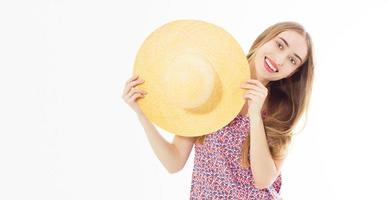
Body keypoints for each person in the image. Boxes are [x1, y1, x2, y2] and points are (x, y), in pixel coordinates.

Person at [122, 21, 314, 199]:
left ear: (294, 72)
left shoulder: (282, 110)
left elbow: (263, 179)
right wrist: (142, 115)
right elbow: (174, 162)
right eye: (279, 45)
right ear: (265, 38)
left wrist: (255, 115)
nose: (280, 60)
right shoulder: (209, 84)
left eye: (292, 60)